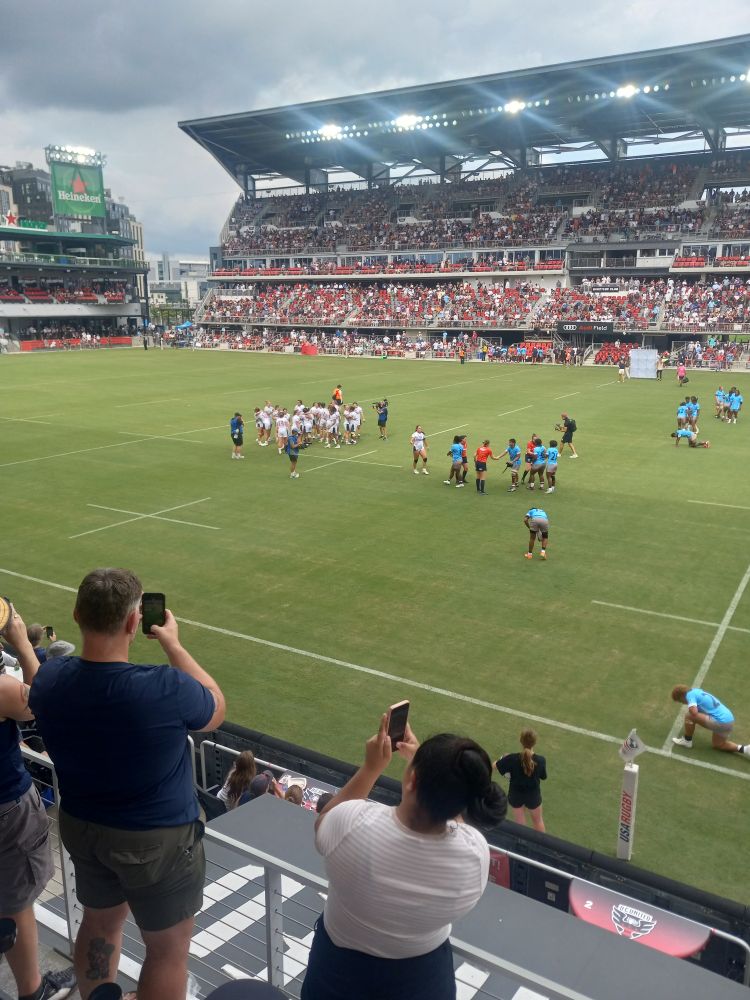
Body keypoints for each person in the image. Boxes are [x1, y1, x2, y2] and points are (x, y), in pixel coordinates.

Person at [29, 568, 226, 1000]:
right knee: (168, 952)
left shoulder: (50, 679)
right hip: (158, 842)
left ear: (78, 614)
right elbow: (215, 708)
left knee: (99, 924)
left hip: (84, 829)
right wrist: (173, 643)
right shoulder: (164, 688)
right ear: (136, 623)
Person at [301, 714, 506, 1000]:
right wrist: (427, 769)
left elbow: (325, 821)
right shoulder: (474, 855)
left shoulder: (353, 823)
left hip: (338, 971)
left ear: (412, 780)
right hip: (423, 979)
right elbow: (452, 806)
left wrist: (372, 767)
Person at [0, 603, 77, 1000]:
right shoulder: (1, 689)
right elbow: (43, 700)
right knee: (16, 898)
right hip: (5, 805)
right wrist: (21, 646)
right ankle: (33, 992)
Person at [671, 686, 750, 756]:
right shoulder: (697, 691)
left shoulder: (689, 695)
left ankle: (687, 740)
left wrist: (691, 707)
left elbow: (694, 712)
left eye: (680, 701)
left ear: (681, 696)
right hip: (729, 719)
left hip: (721, 721)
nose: (683, 703)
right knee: (718, 745)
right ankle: (745, 749)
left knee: (689, 716)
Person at [495, 730, 547, 832]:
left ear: (521, 741)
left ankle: (521, 845)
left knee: (520, 823)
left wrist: (502, 758)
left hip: (515, 795)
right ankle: (542, 846)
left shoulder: (511, 759)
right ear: (535, 742)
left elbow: (495, 765)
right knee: (538, 821)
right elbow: (543, 776)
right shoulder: (541, 760)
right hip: (533, 795)